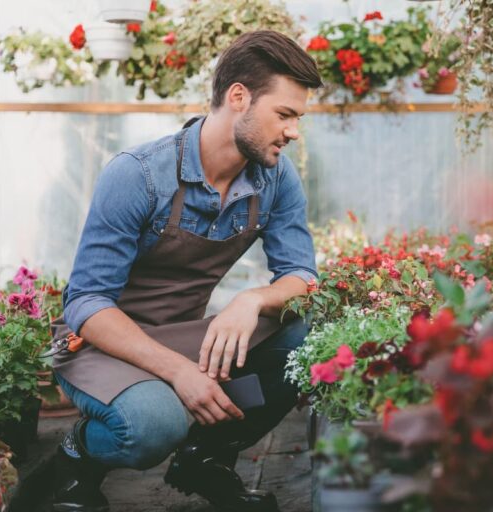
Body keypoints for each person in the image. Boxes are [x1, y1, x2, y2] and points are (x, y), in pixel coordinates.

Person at [50, 30, 322, 512]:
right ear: (238, 97)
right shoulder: (138, 175)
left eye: (297, 117)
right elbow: (86, 303)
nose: (294, 131)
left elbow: (301, 274)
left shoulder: (275, 177)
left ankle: (205, 458)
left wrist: (252, 300)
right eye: (285, 114)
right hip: (99, 345)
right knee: (155, 425)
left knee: (309, 334)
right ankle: (80, 455)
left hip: (181, 335)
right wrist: (179, 373)